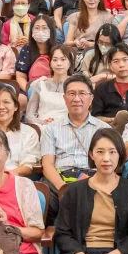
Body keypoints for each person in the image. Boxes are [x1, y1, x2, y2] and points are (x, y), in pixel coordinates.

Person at [40, 75, 106, 204]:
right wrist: (63, 188)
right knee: (45, 197)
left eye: (82, 93)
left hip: (93, 177)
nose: (76, 99)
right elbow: (47, 165)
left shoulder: (104, 129)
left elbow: (109, 164)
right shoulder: (51, 129)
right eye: (71, 93)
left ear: (91, 98)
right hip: (60, 177)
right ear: (64, 98)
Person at [90, 44, 128, 129]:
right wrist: (117, 120)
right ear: (111, 66)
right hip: (109, 131)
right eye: (116, 61)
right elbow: (95, 117)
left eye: (125, 60)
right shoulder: (101, 88)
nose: (121, 65)